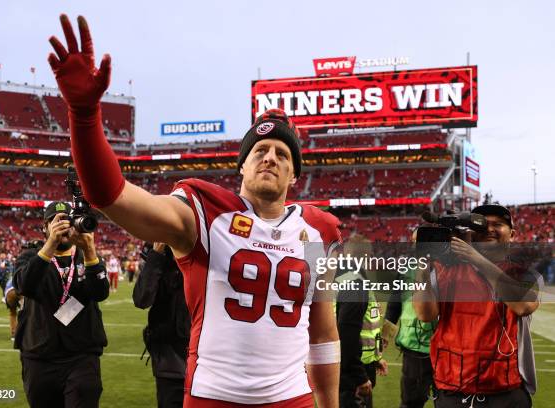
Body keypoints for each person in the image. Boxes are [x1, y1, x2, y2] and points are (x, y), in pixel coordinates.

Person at [47, 14, 341, 407]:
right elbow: (111, 196)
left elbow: (322, 335)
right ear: (242, 165)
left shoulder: (317, 231)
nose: (269, 158)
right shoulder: (205, 212)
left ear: (293, 176)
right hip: (213, 396)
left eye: (282, 154)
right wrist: (84, 117)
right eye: (260, 150)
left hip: (292, 398)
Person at [413, 205, 542, 408]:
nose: (490, 229)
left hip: (505, 392)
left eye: (498, 224)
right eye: (483, 225)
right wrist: (422, 267)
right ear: (471, 232)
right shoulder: (445, 270)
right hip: (453, 391)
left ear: (513, 234)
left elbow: (524, 305)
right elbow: (425, 314)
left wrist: (475, 257)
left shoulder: (523, 272)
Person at [13, 201, 109, 408]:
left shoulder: (87, 256)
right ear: (44, 227)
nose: (62, 226)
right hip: (40, 355)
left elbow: (101, 293)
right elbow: (24, 286)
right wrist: (51, 244)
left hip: (81, 355)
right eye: (55, 222)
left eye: (67, 221)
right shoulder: (30, 256)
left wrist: (90, 249)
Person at [133, 242, 190, 408]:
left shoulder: (202, 260)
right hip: (170, 361)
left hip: (204, 361)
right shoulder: (161, 261)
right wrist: (156, 255)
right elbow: (142, 299)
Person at [384, 229, 436, 408]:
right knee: (410, 402)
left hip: (446, 346)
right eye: (414, 241)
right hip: (414, 346)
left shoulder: (451, 266)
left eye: (420, 241)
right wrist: (385, 334)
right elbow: (394, 303)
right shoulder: (407, 266)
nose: (416, 245)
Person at [336, 237, 388, 408]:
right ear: (367, 256)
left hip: (357, 363)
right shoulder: (355, 285)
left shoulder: (346, 277)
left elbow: (364, 326)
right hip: (353, 373)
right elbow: (346, 333)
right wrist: (358, 375)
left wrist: (375, 358)